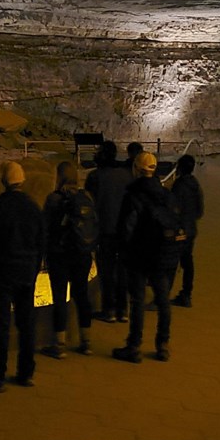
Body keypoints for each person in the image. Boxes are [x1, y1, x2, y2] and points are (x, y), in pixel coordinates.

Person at [0, 161, 45, 392]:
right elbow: (40, 244)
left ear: (3, 181)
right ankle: (26, 373)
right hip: (26, 273)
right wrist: (34, 270)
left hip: (2, 274)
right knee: (26, 325)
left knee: (1, 326)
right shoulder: (33, 208)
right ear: (22, 181)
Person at [112, 151, 185, 364]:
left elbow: (126, 228)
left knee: (137, 301)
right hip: (163, 255)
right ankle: (162, 344)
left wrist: (122, 251)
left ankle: (134, 346)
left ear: (136, 168)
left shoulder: (133, 195)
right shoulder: (165, 194)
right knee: (163, 300)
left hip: (139, 255)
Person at [42, 161, 96, 358]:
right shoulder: (86, 197)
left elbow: (45, 227)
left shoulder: (54, 199)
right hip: (82, 254)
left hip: (60, 254)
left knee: (59, 297)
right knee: (82, 295)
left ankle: (60, 343)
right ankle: (86, 341)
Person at [85, 141, 135, 324]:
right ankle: (124, 309)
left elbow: (90, 205)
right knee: (122, 270)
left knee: (106, 270)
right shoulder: (126, 175)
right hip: (123, 230)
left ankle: (109, 309)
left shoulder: (95, 177)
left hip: (105, 229)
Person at [171, 154, 205, 308]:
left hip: (180, 232)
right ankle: (186, 294)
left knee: (171, 261)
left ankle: (162, 296)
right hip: (191, 230)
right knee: (187, 261)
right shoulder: (195, 184)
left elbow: (173, 208)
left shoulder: (179, 185)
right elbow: (199, 211)